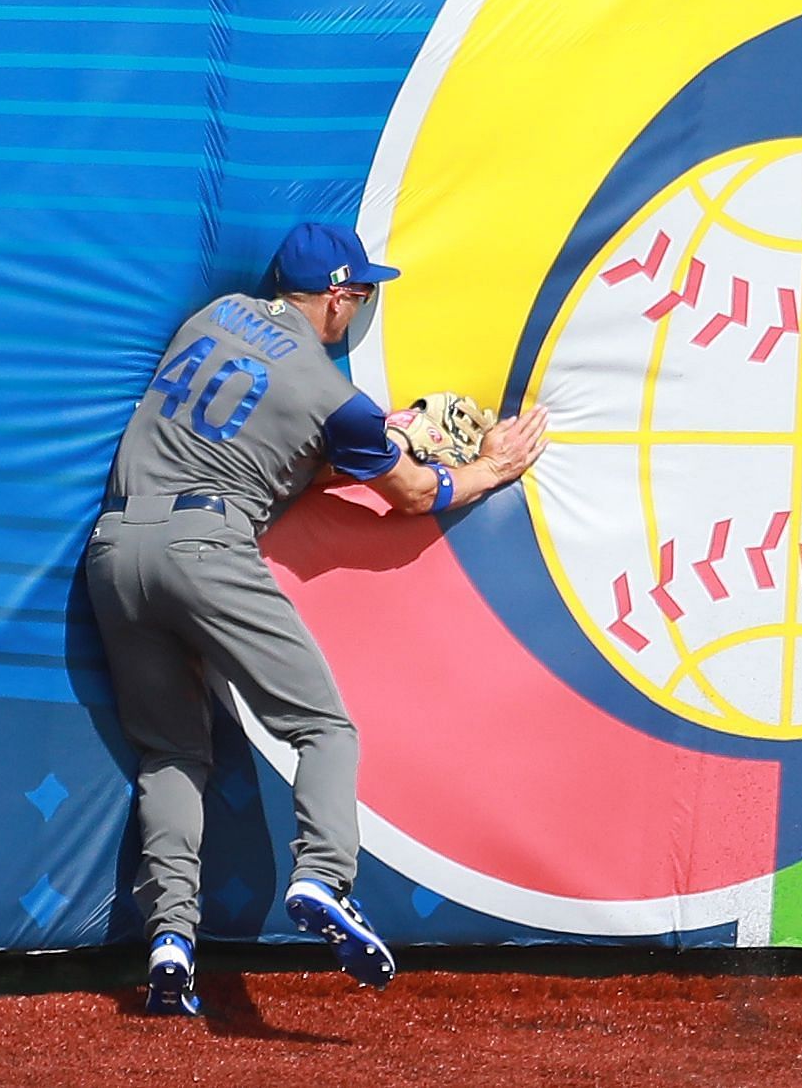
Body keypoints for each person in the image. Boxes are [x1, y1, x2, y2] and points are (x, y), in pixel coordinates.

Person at [85, 222, 548, 1015]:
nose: (361, 307)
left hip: (114, 548)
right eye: (362, 293)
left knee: (169, 752)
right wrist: (485, 467)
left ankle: (169, 941)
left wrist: (384, 434)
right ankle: (324, 879)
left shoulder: (214, 315)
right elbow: (411, 496)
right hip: (207, 546)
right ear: (337, 297)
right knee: (325, 729)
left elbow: (268, 434)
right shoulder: (334, 395)